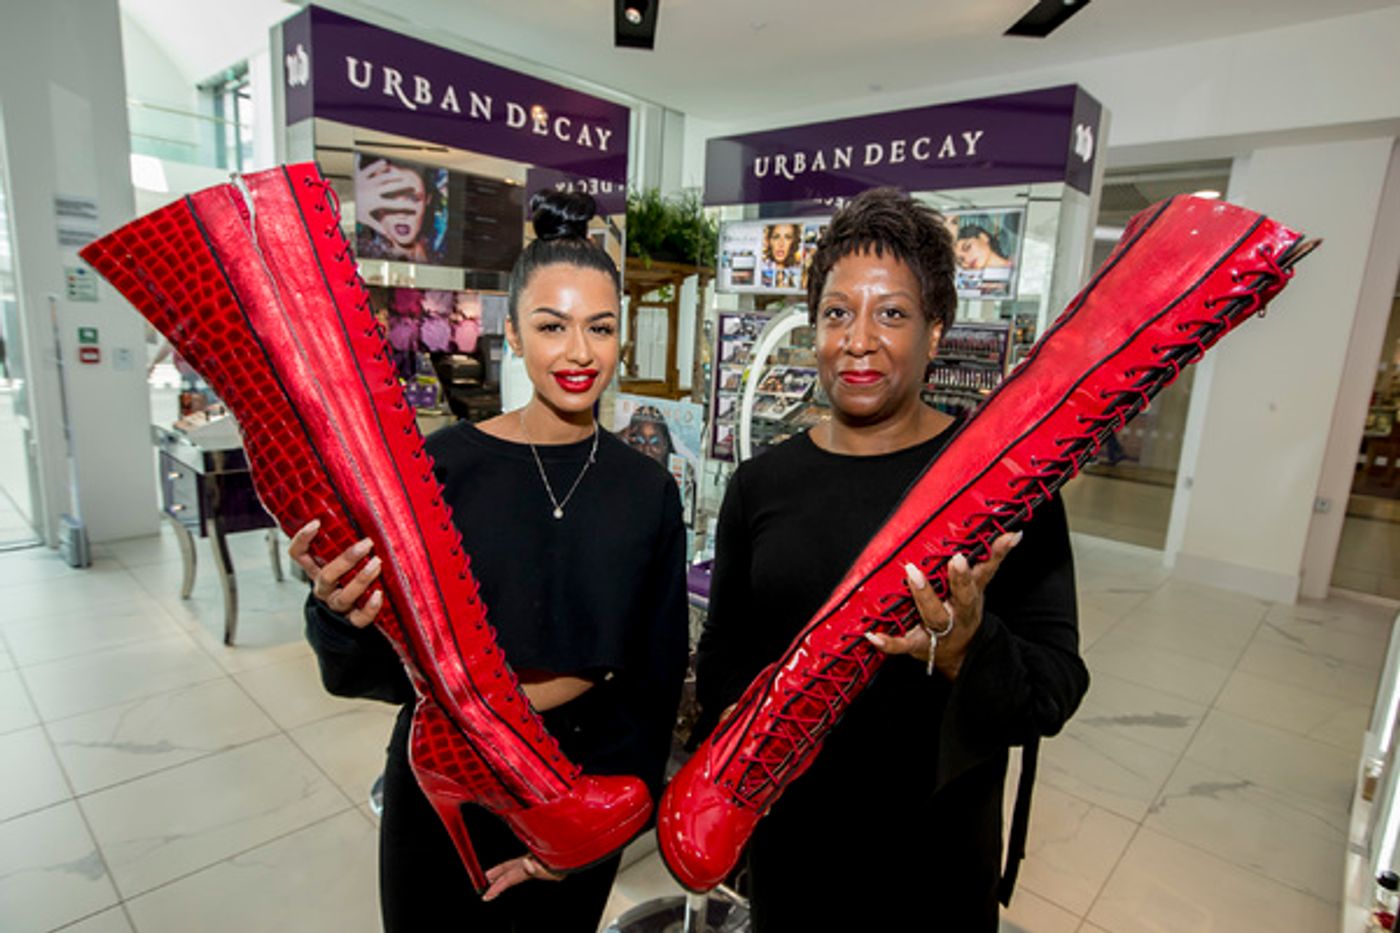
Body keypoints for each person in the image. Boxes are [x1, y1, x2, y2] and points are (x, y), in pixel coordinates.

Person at [291, 191, 689, 933]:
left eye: (600, 327)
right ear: (511, 332)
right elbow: (369, 669)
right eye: (552, 325)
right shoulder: (438, 469)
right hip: (443, 780)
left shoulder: (647, 491)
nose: (579, 352)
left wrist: (589, 832)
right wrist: (337, 607)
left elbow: (654, 684)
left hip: (578, 786)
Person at [694, 188, 1087, 931]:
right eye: (837, 313)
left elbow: (1052, 689)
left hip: (935, 864)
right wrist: (749, 725)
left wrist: (967, 648)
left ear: (937, 331)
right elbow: (722, 659)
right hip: (795, 853)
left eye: (893, 314)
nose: (859, 340)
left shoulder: (1002, 484)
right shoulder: (762, 484)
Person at [355, 157, 446, 263]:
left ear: (427, 200)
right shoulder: (361, 250)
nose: (401, 214)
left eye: (413, 198)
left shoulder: (441, 254)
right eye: (389, 197)